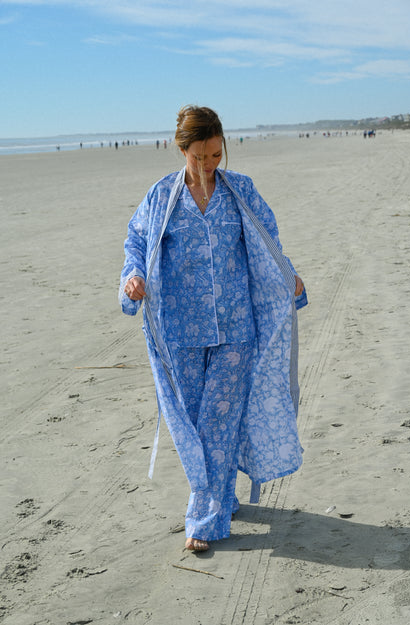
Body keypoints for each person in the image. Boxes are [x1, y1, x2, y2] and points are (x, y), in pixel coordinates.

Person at [119, 105, 306, 552]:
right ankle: (222, 495)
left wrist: (287, 275)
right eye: (198, 157)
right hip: (179, 332)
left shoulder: (239, 190)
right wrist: (133, 278)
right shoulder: (161, 197)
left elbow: (267, 239)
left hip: (236, 329)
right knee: (194, 424)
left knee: (217, 422)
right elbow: (136, 242)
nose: (207, 166)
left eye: (215, 156)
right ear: (180, 149)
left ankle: (203, 520)